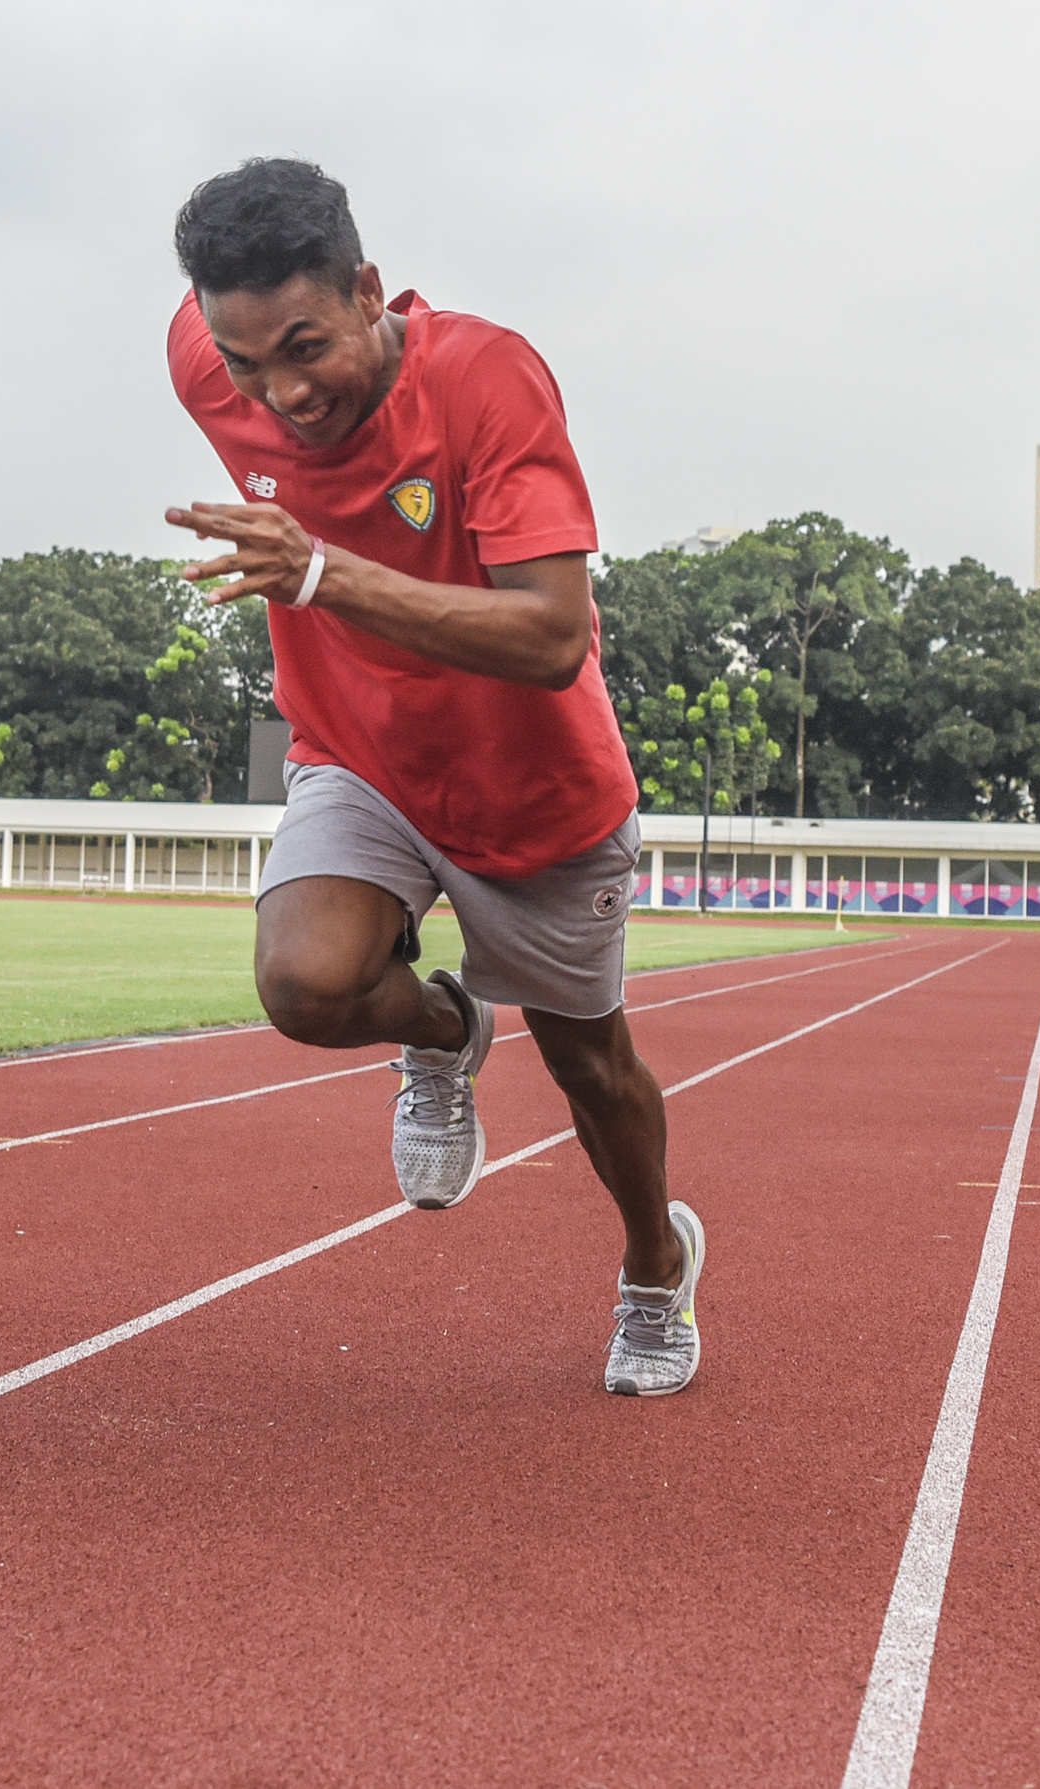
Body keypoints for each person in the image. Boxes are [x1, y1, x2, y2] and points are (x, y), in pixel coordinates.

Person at [163, 158, 702, 1397]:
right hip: (361, 756)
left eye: (305, 346)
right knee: (303, 981)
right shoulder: (207, 357)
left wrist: (320, 576)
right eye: (245, 363)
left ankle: (653, 1264)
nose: (280, 392)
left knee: (593, 1071)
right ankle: (449, 1029)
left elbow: (553, 633)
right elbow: (237, 360)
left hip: (537, 796)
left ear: (367, 290)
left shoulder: (484, 382)